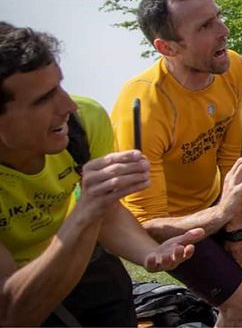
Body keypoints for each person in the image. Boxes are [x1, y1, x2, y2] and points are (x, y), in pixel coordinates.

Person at [0, 24, 201, 326]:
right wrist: (86, 211)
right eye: (44, 99)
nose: (67, 105)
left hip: (88, 261)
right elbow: (13, 313)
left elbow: (107, 212)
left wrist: (151, 252)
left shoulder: (84, 120)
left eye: (61, 86)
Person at [110, 0, 242, 326]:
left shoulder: (232, 67)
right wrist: (219, 218)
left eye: (218, 17)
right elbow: (147, 224)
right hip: (174, 226)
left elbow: (229, 159)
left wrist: (235, 232)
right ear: (167, 47)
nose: (224, 30)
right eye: (205, 26)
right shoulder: (142, 107)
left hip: (216, 205)